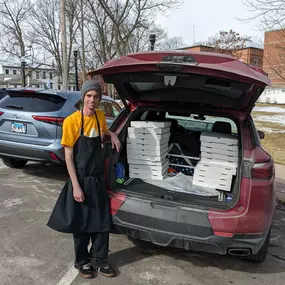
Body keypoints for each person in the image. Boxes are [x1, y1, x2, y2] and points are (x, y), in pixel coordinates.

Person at [47, 80, 121, 279]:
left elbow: (103, 132)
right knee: (81, 225)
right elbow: (69, 156)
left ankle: (99, 259)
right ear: (83, 98)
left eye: (95, 96)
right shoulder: (71, 121)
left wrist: (112, 134)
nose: (92, 100)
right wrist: (76, 186)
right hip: (80, 179)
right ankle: (82, 261)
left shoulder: (98, 117)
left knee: (101, 223)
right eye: (89, 96)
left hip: (97, 180)